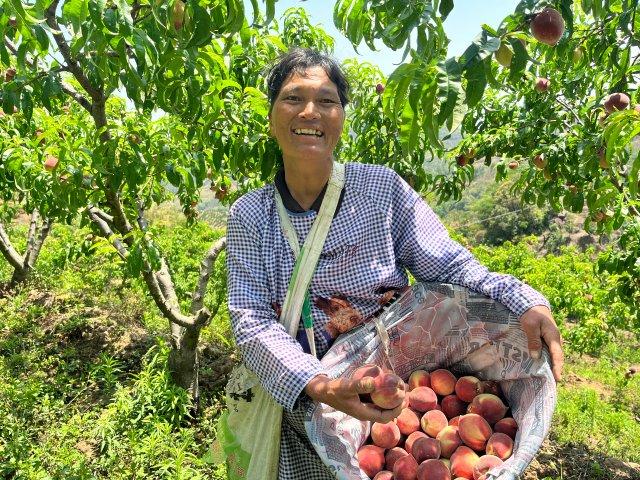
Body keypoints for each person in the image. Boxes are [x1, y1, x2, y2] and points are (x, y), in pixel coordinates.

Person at [225, 48, 563, 479]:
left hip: (394, 381)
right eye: (293, 98)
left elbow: (447, 262)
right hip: (310, 403)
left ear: (342, 117)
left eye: (327, 101)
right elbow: (250, 318)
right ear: (271, 116)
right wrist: (319, 385)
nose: (310, 111)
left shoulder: (381, 190)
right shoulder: (250, 216)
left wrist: (522, 299)